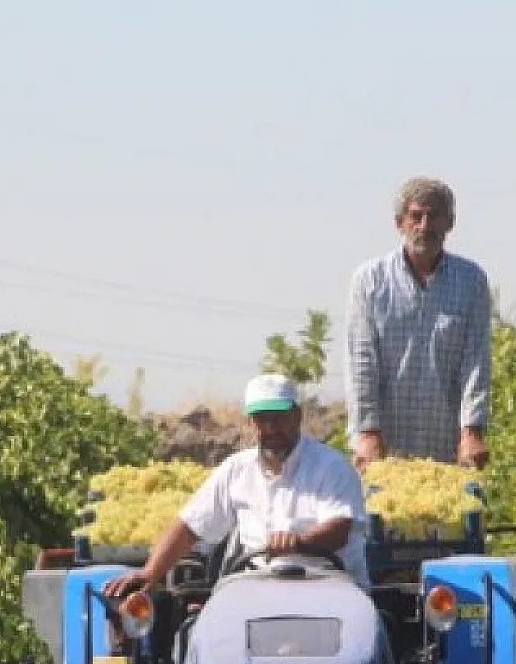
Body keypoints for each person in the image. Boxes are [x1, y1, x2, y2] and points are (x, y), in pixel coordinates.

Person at [100, 373, 369, 597]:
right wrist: (150, 573)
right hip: (260, 587)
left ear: (297, 417)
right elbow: (190, 526)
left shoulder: (331, 466)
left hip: (329, 587)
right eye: (262, 419)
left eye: (279, 417)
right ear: (251, 423)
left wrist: (297, 542)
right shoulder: (236, 470)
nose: (271, 428)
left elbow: (339, 530)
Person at [344, 176, 493, 470]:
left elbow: (475, 361)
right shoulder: (370, 281)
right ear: (400, 223)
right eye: (416, 216)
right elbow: (361, 361)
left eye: (434, 216)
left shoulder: (471, 280)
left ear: (449, 223)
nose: (425, 226)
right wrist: (368, 431)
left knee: (454, 512)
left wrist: (471, 431)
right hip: (385, 441)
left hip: (446, 439)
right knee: (382, 512)